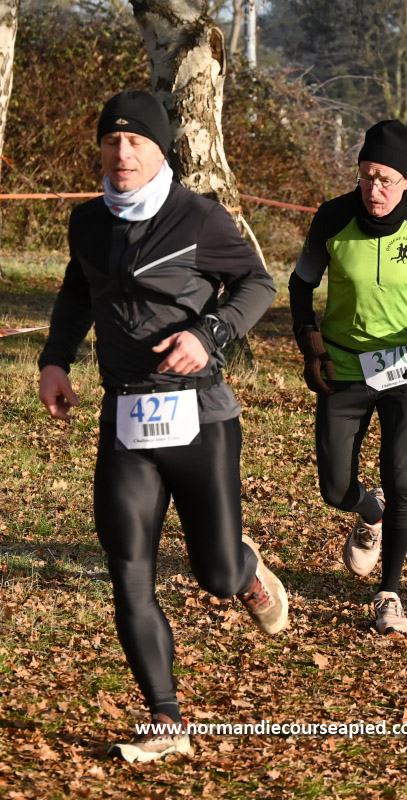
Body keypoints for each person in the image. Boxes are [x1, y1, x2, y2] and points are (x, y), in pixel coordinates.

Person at [38, 90, 288, 762]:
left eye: (136, 142)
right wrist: (55, 360)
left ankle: (245, 571)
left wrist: (209, 335)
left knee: (215, 573)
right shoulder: (89, 222)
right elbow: (77, 290)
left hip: (199, 415)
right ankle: (165, 718)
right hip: (126, 417)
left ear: (160, 150)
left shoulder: (197, 217)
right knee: (128, 569)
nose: (122, 154)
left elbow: (257, 284)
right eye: (111, 141)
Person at [289, 119, 407, 636]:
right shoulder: (332, 217)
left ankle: (389, 593)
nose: (374, 189)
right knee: (334, 488)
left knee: (400, 480)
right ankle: (369, 512)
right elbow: (301, 283)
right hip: (344, 367)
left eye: (386, 180)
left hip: (406, 369)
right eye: (367, 176)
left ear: (406, 182)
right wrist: (308, 339)